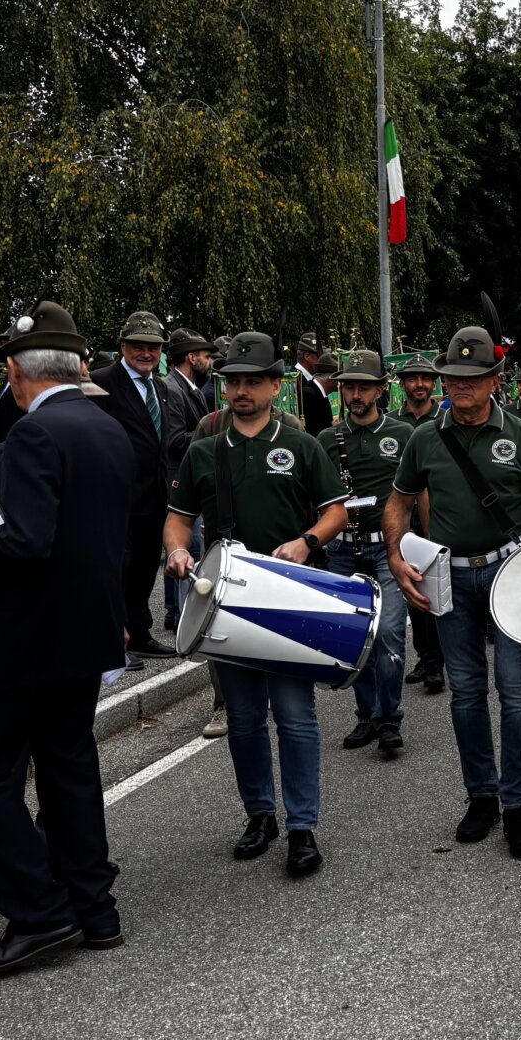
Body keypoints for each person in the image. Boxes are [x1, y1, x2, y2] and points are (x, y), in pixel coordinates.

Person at [0, 304, 134, 976]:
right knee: (66, 765)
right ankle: (93, 910)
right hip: (86, 629)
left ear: (17, 375)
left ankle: (40, 909)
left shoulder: (33, 433)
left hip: (25, 633)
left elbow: (26, 542)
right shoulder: (107, 428)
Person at [385, 325, 521, 859]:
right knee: (467, 693)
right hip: (449, 577)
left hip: (511, 575)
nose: (459, 386)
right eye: (452, 377)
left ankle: (518, 806)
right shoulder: (425, 437)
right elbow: (398, 503)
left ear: (494, 380)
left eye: (471, 378)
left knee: (516, 692)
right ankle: (481, 795)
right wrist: (396, 558)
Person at [165, 332, 348, 877]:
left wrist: (306, 542)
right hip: (226, 600)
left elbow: (335, 513)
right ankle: (260, 814)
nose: (241, 391)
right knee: (243, 719)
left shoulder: (304, 446)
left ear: (276, 386)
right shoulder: (203, 452)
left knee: (294, 717)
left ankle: (302, 827)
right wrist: (176, 550)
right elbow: (177, 520)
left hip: (290, 595)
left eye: (252, 381)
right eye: (232, 382)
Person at [318, 350, 414, 759]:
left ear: (379, 390)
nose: (355, 394)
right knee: (354, 637)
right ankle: (367, 713)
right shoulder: (325, 439)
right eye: (348, 386)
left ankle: (390, 717)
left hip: (387, 547)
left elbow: (416, 494)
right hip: (342, 550)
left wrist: (421, 546)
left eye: (363, 387)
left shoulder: (403, 434)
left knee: (390, 631)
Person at [90, 312, 178, 665]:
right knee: (117, 569)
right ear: (123, 346)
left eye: (153, 347)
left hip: (154, 495)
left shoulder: (160, 387)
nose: (146, 353)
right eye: (138, 346)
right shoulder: (100, 383)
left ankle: (139, 634)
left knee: (144, 568)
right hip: (116, 496)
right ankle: (114, 638)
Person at [393, 354, 447, 693]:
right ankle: (425, 656)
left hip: (437, 513)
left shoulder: (445, 420)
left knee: (434, 589)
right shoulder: (391, 423)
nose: (419, 385)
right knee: (412, 589)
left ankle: (436, 663)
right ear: (402, 385)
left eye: (425, 379)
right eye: (412, 379)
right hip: (402, 515)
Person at [158, 328, 215, 636]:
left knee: (190, 547)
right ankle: (178, 614)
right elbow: (174, 440)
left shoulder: (188, 387)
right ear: (192, 358)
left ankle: (176, 611)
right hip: (177, 480)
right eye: (206, 356)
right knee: (185, 547)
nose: (210, 362)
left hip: (187, 478)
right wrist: (211, 434)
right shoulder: (173, 389)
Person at [292, 333, 335, 436]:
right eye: (320, 356)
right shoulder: (293, 380)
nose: (324, 360)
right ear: (307, 356)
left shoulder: (311, 380)